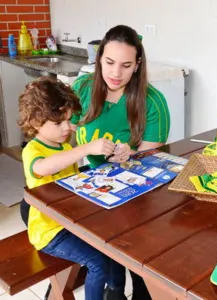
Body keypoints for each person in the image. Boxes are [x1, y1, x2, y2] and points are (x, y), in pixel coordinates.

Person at [70, 24, 171, 300]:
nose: (116, 73)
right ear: (99, 58)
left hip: (135, 195)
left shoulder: (153, 102)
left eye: (126, 65)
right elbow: (63, 142)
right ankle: (113, 287)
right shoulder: (80, 89)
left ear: (138, 65)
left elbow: (151, 167)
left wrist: (130, 158)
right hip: (90, 186)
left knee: (135, 251)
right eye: (110, 62)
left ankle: (131, 288)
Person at [17, 77, 127, 300]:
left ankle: (116, 293)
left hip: (72, 223)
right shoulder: (33, 150)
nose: (67, 127)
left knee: (114, 246)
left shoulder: (65, 146)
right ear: (37, 122)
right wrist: (85, 148)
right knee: (97, 264)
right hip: (50, 233)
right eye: (58, 123)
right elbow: (44, 168)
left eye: (68, 120)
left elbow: (73, 177)